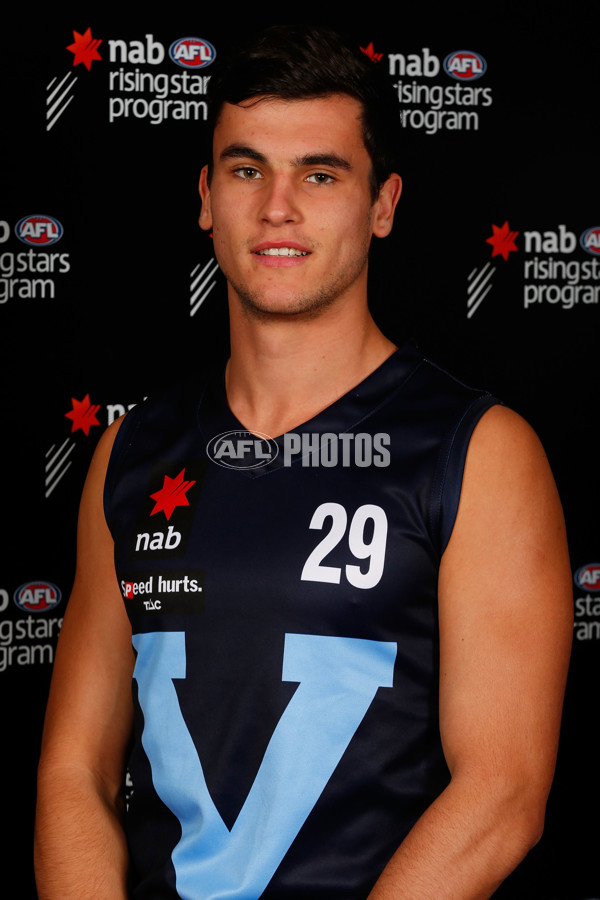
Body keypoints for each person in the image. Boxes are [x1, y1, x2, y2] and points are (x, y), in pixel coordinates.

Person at [34, 25, 573, 900]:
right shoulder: (130, 453)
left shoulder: (478, 451)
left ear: (384, 203)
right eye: (248, 170)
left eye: (320, 174)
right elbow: (74, 775)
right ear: (207, 196)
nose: (278, 207)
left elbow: (501, 795)